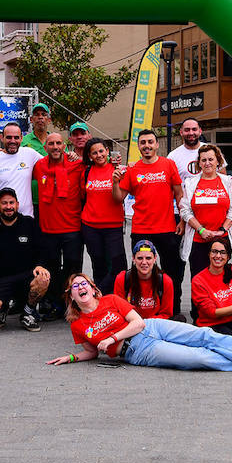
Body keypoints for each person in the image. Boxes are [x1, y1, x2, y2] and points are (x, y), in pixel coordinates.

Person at [47, 273, 232, 371]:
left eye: (84, 283)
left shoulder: (111, 300)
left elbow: (138, 323)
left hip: (152, 327)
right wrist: (70, 358)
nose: (81, 287)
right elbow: (91, 351)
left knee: (204, 336)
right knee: (198, 358)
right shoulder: (77, 324)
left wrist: (111, 338)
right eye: (75, 286)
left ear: (92, 288)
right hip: (138, 351)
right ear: (71, 296)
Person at [115, 128, 185, 320]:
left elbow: (179, 194)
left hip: (168, 228)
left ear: (156, 144)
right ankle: (137, 312)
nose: (147, 145)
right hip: (141, 230)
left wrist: (183, 221)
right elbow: (119, 197)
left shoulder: (168, 165)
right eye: (143, 142)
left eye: (150, 142)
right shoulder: (133, 170)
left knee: (173, 273)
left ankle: (173, 311)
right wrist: (115, 182)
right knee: (141, 273)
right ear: (139, 146)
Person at [0, 188, 52, 331]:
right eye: (4, 203)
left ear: (17, 204)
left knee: (43, 278)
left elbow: (43, 248)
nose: (8, 207)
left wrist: (40, 265)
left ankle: (27, 313)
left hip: (25, 276)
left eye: (11, 202)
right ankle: (2, 308)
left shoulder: (29, 223)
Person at [34, 132, 85, 319]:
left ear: (64, 146)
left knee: (73, 269)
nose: (55, 147)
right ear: (45, 147)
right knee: (52, 269)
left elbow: (97, 164)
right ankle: (54, 304)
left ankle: (74, 303)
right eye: (51, 144)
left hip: (72, 229)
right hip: (48, 229)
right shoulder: (38, 166)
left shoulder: (77, 165)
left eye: (58, 143)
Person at [179, 143, 232, 280]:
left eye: (211, 159)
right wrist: (201, 230)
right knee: (199, 281)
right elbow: (185, 210)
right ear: (199, 163)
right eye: (203, 160)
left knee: (220, 282)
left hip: (221, 241)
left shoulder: (228, 181)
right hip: (198, 241)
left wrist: (223, 230)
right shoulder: (190, 183)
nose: (207, 163)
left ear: (218, 161)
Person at [81, 137, 127, 287]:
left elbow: (120, 196)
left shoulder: (118, 170)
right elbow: (83, 196)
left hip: (113, 227)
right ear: (89, 156)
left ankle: (112, 297)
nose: (99, 155)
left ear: (107, 151)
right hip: (90, 227)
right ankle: (101, 303)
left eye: (101, 151)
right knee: (98, 265)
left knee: (117, 266)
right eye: (94, 153)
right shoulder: (86, 172)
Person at [0, 121, 36, 219]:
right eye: (9, 137)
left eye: (16, 137)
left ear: (21, 138)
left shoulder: (30, 154)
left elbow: (51, 162)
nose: (13, 141)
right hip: (0, 220)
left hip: (26, 220)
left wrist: (69, 156)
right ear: (1, 137)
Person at [114, 239, 175, 320]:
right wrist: (136, 324)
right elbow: (120, 311)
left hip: (156, 325)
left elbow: (166, 314)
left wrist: (146, 324)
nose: (144, 262)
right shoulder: (122, 279)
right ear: (133, 259)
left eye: (148, 258)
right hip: (130, 324)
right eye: (139, 258)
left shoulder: (165, 281)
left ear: (155, 258)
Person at [167, 118, 204, 184]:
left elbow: (222, 177)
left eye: (194, 129)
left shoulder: (212, 151)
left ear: (200, 131)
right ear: (181, 132)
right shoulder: (173, 156)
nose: (191, 133)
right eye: (187, 130)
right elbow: (169, 182)